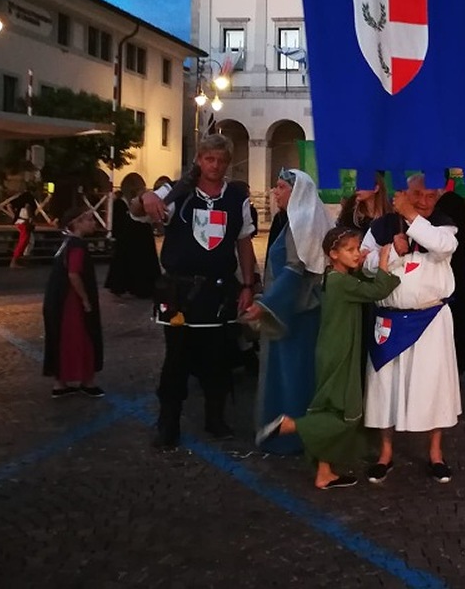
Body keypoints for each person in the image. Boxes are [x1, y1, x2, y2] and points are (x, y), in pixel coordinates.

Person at [133, 134, 257, 448]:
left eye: (221, 160)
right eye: (209, 159)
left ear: (227, 164)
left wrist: (248, 284)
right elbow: (139, 210)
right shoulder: (177, 191)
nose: (214, 166)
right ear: (199, 160)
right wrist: (145, 195)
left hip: (217, 293)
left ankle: (215, 418)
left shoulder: (236, 198)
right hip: (179, 293)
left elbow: (243, 242)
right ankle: (168, 422)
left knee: (217, 359)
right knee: (175, 360)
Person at [256, 226, 400, 489]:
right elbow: (377, 291)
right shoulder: (341, 283)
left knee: (327, 407)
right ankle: (292, 425)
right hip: (340, 351)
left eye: (357, 249)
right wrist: (382, 263)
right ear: (333, 254)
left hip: (331, 349)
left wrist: (360, 264)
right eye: (350, 250)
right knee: (347, 413)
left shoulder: (332, 277)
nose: (357, 255)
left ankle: (324, 472)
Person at [361, 173, 462, 484]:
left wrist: (410, 215)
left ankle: (435, 452)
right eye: (418, 194)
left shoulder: (442, 225)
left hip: (429, 319)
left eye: (431, 196)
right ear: (403, 192)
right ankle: (386, 453)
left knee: (434, 385)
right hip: (390, 319)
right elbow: (363, 264)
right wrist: (391, 252)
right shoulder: (380, 226)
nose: (425, 201)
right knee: (384, 386)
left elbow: (444, 247)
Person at [244, 169, 333, 455]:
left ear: (297, 192)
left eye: (281, 187)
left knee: (292, 374)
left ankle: (292, 434)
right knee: (299, 372)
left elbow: (296, 270)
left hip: (294, 312)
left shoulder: (301, 223)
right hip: (300, 309)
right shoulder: (299, 220)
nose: (275, 191)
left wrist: (266, 304)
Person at [43, 205, 104, 398]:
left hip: (58, 299)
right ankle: (87, 380)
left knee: (61, 338)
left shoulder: (66, 242)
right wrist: (85, 299)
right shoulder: (77, 245)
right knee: (83, 337)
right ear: (77, 223)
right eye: (89, 220)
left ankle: (60, 383)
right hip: (71, 301)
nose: (93, 223)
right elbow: (74, 273)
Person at [434, 169, 465, 374]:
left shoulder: (451, 202)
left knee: (454, 310)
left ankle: (456, 358)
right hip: (449, 262)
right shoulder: (449, 201)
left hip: (453, 262)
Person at [105, 173, 161, 299]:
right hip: (130, 237)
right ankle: (129, 287)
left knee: (137, 263)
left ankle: (138, 287)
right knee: (130, 263)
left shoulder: (137, 203)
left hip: (138, 236)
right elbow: (119, 222)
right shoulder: (121, 203)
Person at [10, 185, 38, 268]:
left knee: (27, 241)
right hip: (24, 221)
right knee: (23, 242)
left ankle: (21, 259)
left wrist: (14, 216)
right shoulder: (29, 198)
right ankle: (15, 261)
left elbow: (9, 205)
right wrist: (30, 218)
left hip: (20, 220)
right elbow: (28, 206)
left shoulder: (21, 198)